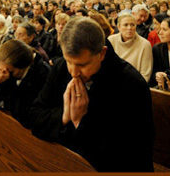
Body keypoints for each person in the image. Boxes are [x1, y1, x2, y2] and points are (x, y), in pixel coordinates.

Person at [30, 17, 154, 172]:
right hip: (61, 163)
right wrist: (64, 116)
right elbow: (34, 117)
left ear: (102, 53)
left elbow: (130, 154)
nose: (74, 73)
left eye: (82, 65)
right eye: (69, 61)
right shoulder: (61, 68)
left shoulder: (132, 84)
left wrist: (81, 121)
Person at [0, 39, 51, 128]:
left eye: (10, 72)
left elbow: (24, 115)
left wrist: (10, 85)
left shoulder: (43, 75)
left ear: (22, 67)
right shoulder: (8, 68)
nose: (4, 74)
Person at [108, 13, 152, 82]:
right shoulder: (111, 40)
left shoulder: (145, 44)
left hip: (135, 86)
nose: (129, 28)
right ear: (118, 27)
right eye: (126, 25)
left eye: (132, 25)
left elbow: (145, 75)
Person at [149, 18, 170, 94]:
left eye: (165, 30)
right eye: (160, 29)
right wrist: (157, 76)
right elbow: (151, 75)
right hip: (164, 94)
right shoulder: (157, 49)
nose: (160, 33)